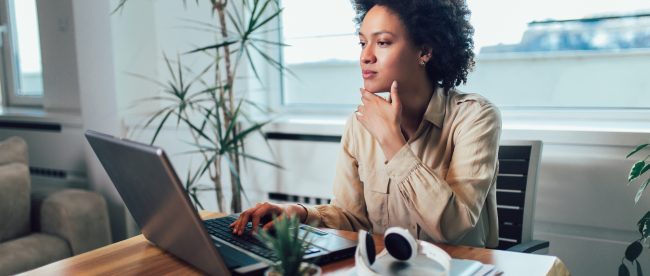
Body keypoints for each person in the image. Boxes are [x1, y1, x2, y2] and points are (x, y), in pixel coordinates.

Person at [231, 0, 501, 248]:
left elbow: (454, 227)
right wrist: (300, 214)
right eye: (362, 43)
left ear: (425, 51)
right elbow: (351, 218)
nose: (365, 56)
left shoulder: (475, 117)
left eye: (382, 42)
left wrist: (392, 140)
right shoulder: (359, 124)